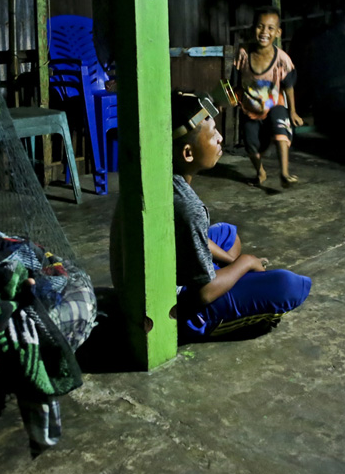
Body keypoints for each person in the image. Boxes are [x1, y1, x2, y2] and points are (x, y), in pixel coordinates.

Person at [112, 92, 311, 342]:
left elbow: (187, 237)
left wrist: (230, 261)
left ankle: (224, 276)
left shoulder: (155, 177)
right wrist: (244, 263)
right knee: (289, 285)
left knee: (228, 234)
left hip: (140, 290)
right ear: (188, 153)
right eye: (213, 133)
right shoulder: (188, 207)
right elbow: (203, 294)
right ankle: (213, 317)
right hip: (176, 309)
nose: (220, 138)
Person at [231, 6, 304, 188]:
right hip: (250, 108)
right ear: (253, 29)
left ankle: (284, 173)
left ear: (278, 32)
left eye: (270, 28)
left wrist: (293, 112)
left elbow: (288, 86)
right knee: (251, 146)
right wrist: (230, 98)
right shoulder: (244, 54)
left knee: (281, 130)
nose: (264, 32)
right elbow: (236, 81)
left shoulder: (282, 60)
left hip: (274, 105)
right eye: (260, 26)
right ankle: (260, 172)